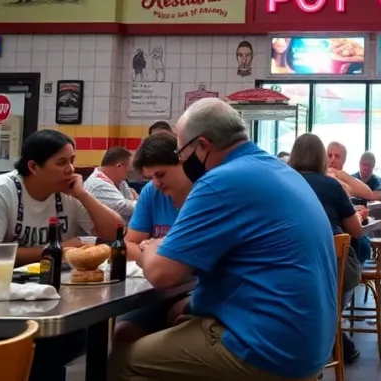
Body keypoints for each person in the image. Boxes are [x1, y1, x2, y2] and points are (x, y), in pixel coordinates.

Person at [111, 98, 337, 381]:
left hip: (270, 351)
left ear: (203, 146)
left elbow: (161, 273)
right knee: (176, 316)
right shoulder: (277, 169)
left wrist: (149, 250)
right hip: (311, 343)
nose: (182, 161)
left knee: (124, 358)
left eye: (183, 154)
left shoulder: (220, 181)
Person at [0, 130, 124, 381]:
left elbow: (115, 231)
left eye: (72, 160)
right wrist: (59, 249)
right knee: (43, 352)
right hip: (3, 300)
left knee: (78, 336)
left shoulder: (70, 193)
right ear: (33, 166)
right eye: (61, 163)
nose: (71, 169)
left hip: (55, 296)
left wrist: (82, 194)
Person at [288, 133, 364, 364]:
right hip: (333, 259)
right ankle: (332, 328)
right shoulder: (331, 185)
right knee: (347, 277)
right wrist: (356, 215)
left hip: (290, 260)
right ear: (322, 157)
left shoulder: (283, 180)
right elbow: (357, 231)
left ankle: (323, 331)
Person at [115, 133, 192, 348]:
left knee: (178, 323)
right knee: (124, 333)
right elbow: (129, 244)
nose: (156, 183)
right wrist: (156, 256)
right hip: (155, 291)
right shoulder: (152, 192)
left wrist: (156, 251)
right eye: (150, 177)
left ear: (182, 163)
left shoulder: (204, 193)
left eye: (161, 174)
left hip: (196, 288)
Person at [84, 146, 138, 223]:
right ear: (119, 166)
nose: (129, 172)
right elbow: (126, 207)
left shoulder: (120, 182)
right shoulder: (97, 184)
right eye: (129, 167)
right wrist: (137, 201)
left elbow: (132, 202)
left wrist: (135, 200)